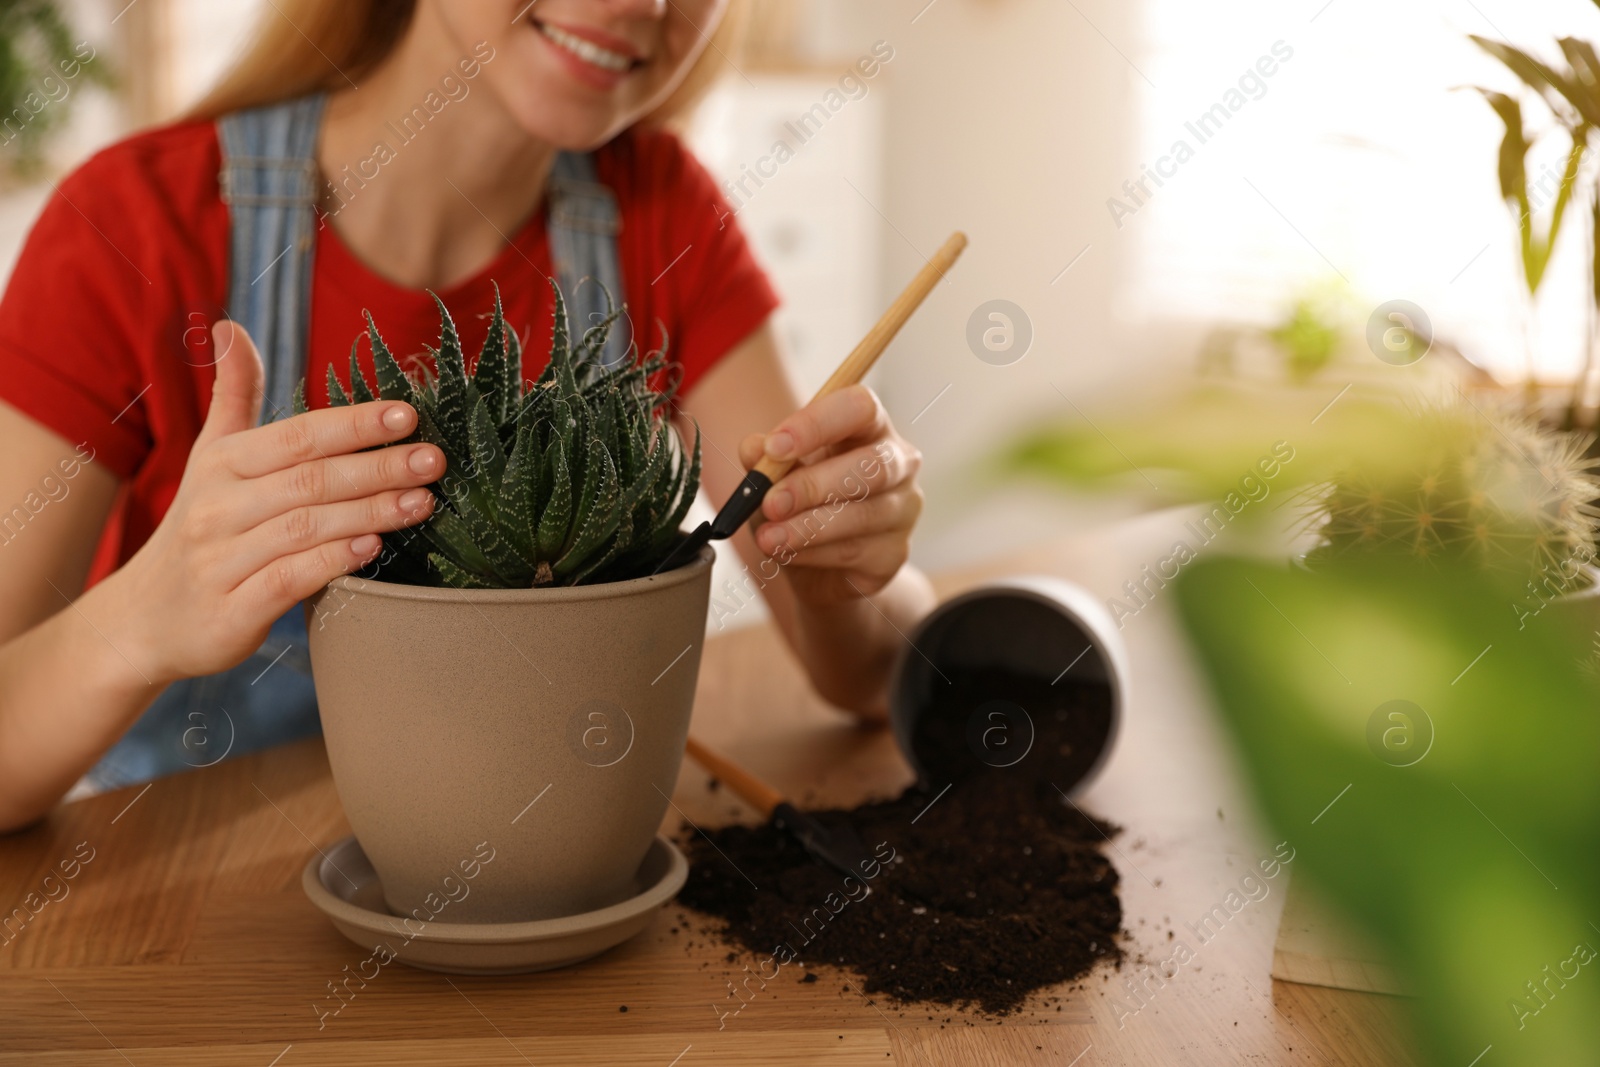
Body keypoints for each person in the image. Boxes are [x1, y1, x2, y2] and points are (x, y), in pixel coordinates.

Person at [0, 0, 933, 834]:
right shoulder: (134, 224)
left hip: (539, 886)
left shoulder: (662, 213)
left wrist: (844, 575)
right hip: (190, 937)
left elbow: (863, 679)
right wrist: (136, 621)